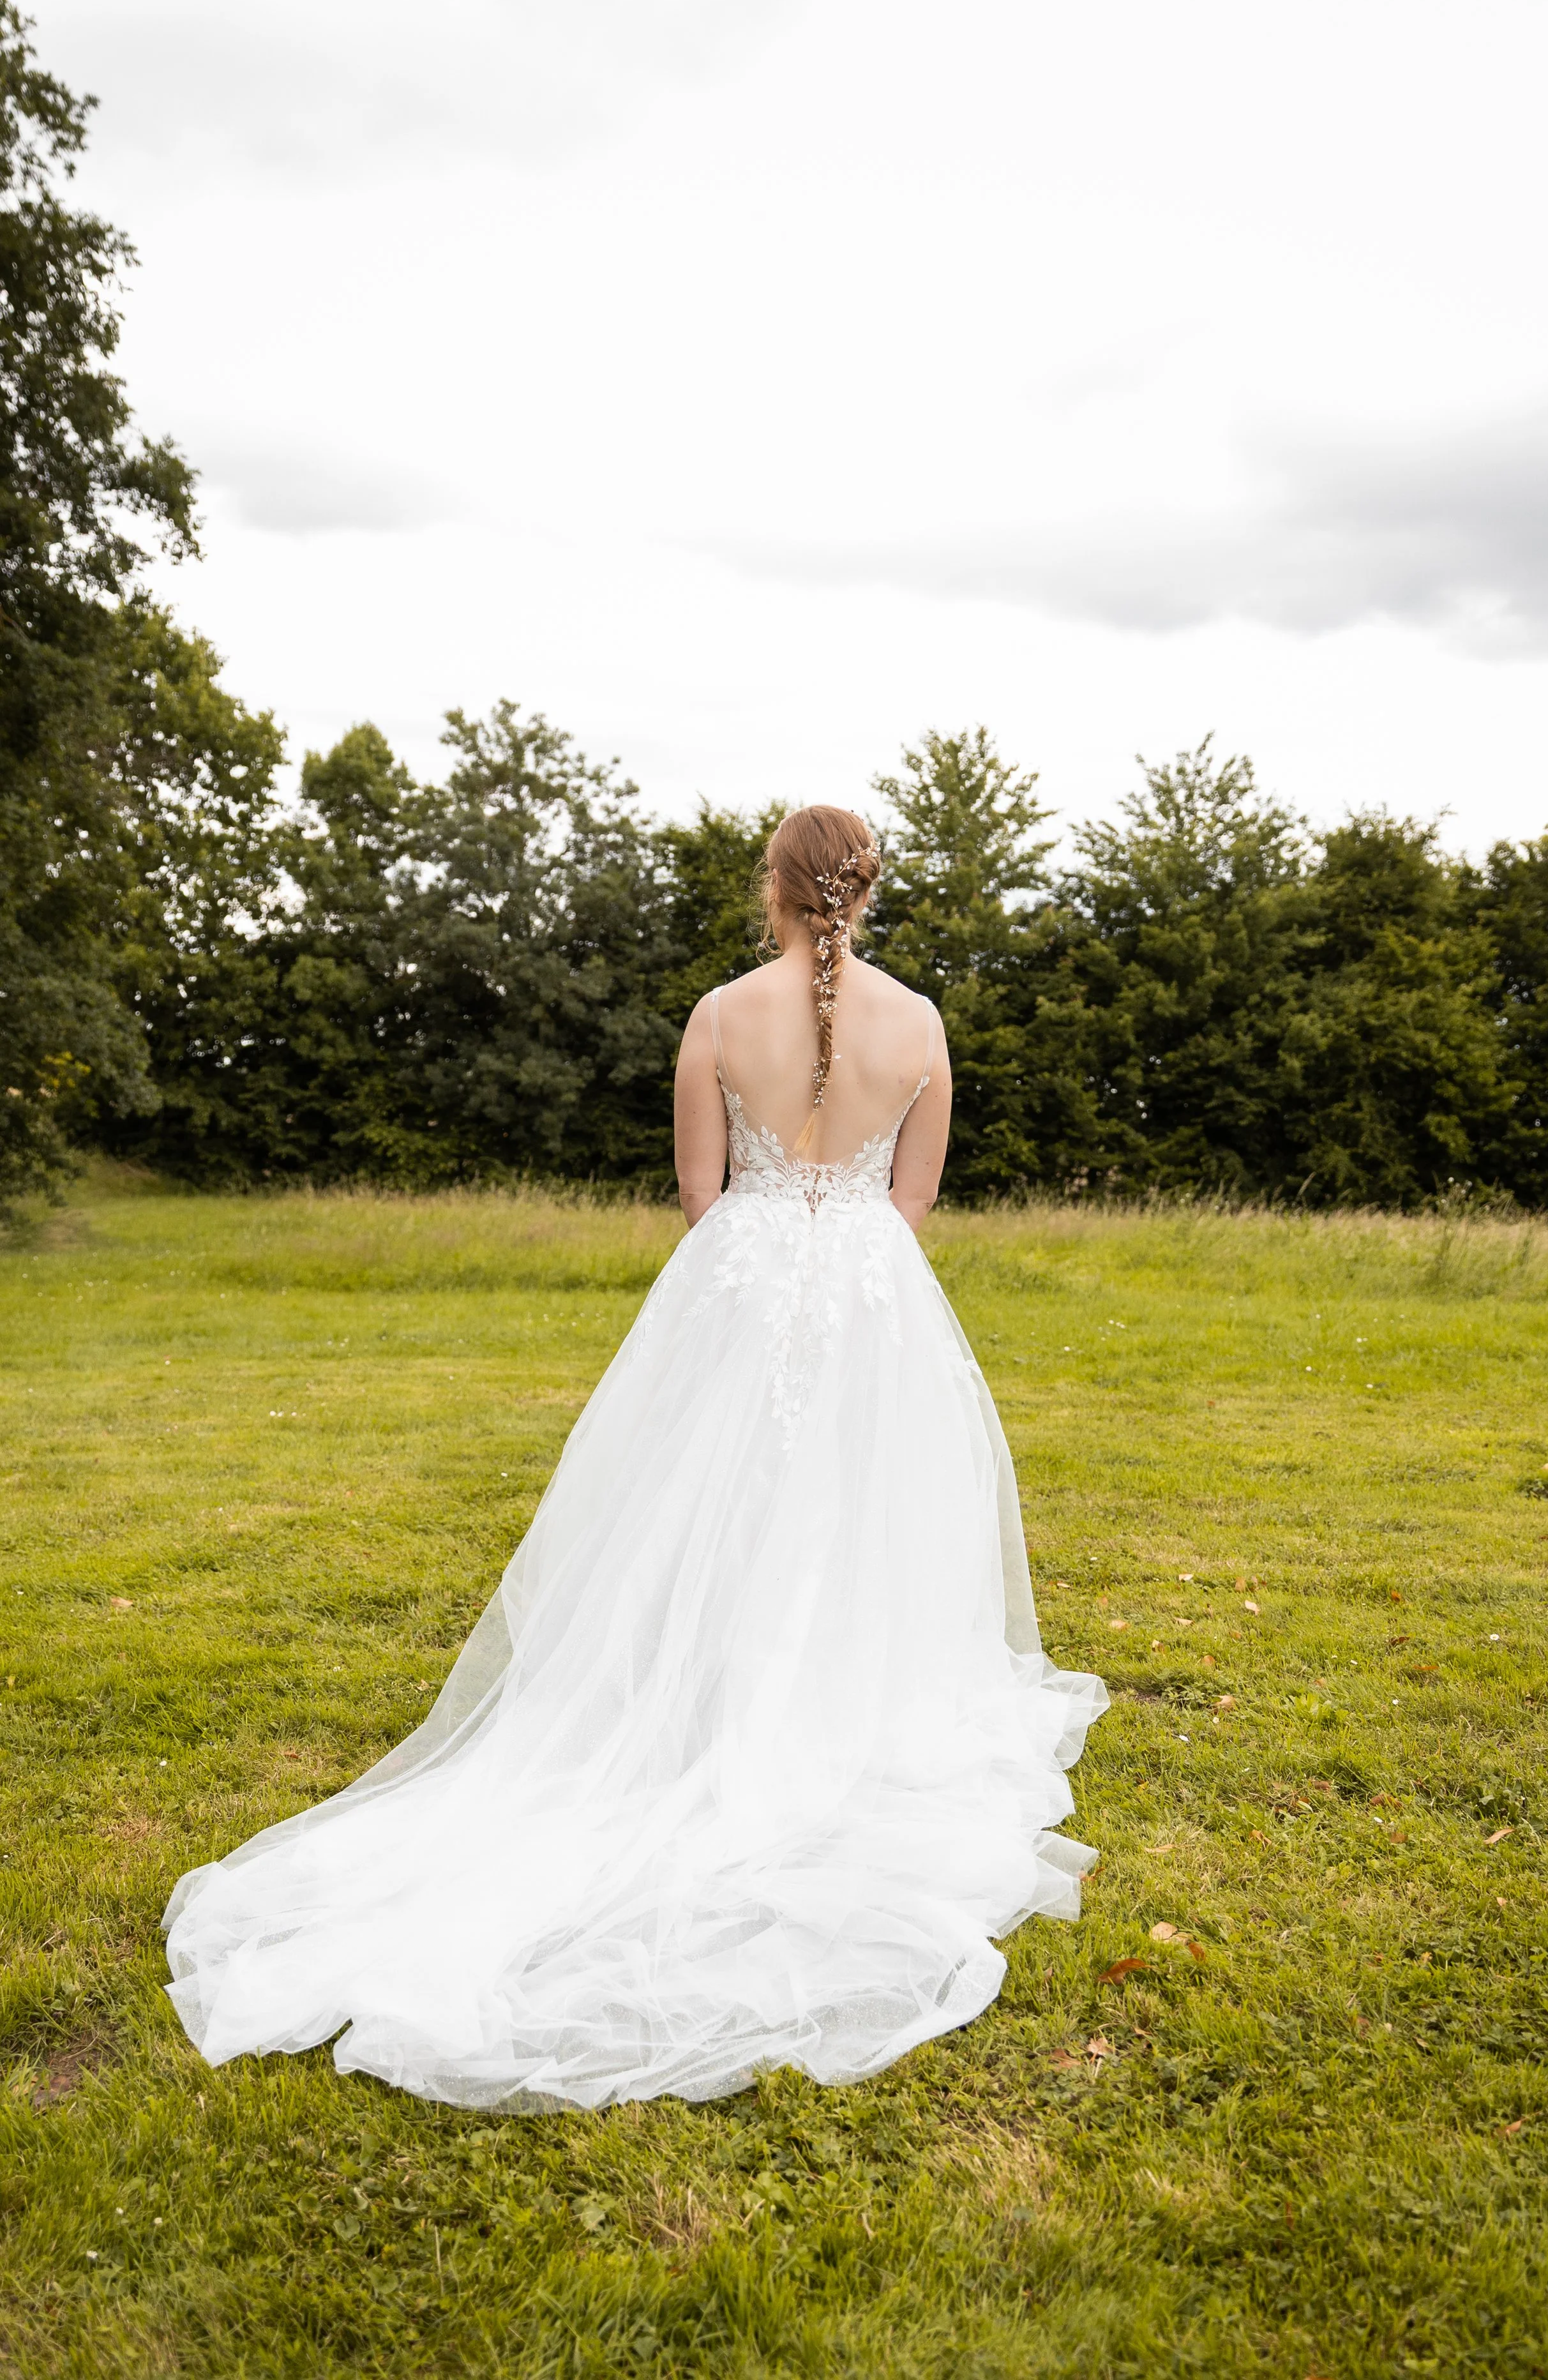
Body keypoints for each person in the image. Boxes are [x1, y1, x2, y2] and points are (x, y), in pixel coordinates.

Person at [163, 804, 1107, 2111]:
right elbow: (913, 1198)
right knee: (857, 1519)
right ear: (863, 891)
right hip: (871, 1297)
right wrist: (843, 1260)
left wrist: (768, 1264)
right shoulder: (924, 1023)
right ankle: (828, 1711)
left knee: (703, 1509)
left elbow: (700, 1196)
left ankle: (691, 1706)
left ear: (770, 890)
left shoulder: (720, 1013)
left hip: (743, 1282)